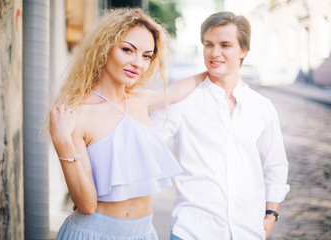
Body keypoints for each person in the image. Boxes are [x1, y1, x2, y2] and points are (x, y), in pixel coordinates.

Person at [48, 8, 206, 240]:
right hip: (94, 233)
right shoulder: (78, 115)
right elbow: (87, 205)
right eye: (127, 50)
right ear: (105, 48)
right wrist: (62, 143)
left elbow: (177, 91)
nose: (137, 63)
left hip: (144, 233)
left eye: (146, 56)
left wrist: (216, 70)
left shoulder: (139, 100)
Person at [151, 11, 290, 239]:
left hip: (248, 231)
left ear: (243, 50)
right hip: (192, 231)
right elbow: (144, 141)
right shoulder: (183, 101)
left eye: (225, 45)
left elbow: (275, 166)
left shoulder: (262, 108)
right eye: (209, 44)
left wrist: (271, 214)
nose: (215, 53)